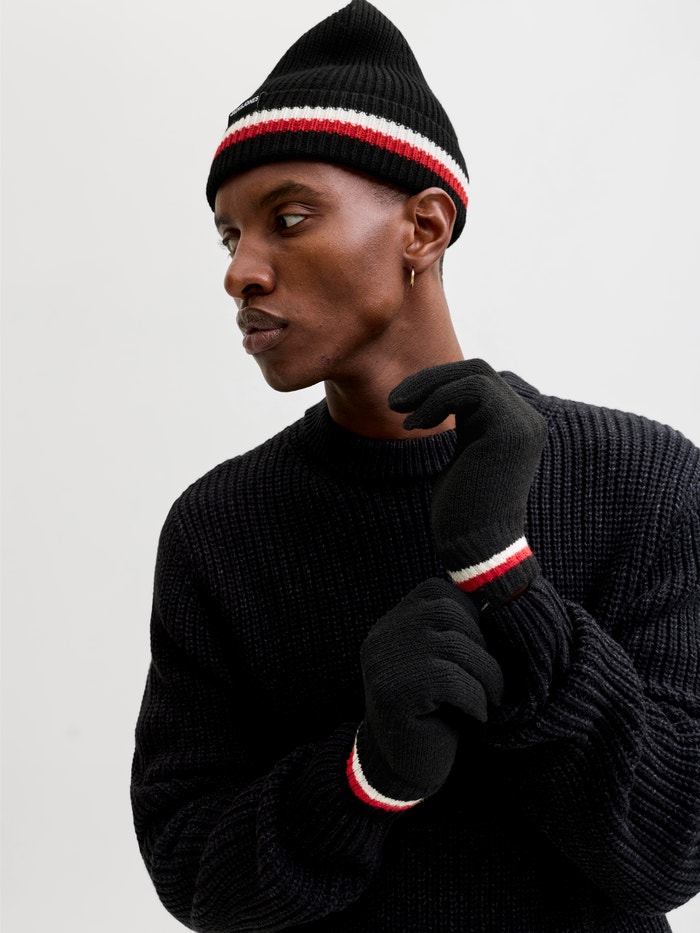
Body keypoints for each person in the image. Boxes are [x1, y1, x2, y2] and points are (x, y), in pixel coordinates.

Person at [130, 2, 700, 930]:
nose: (240, 272)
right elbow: (190, 870)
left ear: (424, 228)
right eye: (231, 237)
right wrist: (366, 775)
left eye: (288, 218)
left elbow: (674, 847)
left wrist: (503, 576)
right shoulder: (220, 525)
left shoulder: (643, 478)